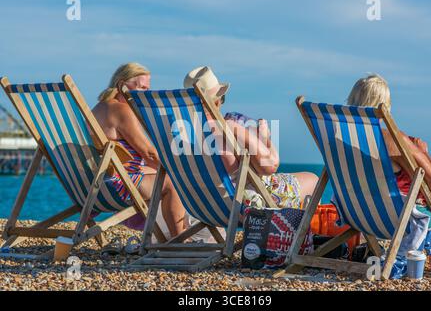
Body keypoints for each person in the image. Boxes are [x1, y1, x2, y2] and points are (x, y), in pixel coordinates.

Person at [346, 74, 431, 274]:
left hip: (357, 213)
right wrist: (422, 151)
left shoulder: (340, 138)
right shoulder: (391, 138)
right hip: (398, 217)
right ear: (385, 105)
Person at [183, 66, 319, 209]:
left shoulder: (183, 132)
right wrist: (266, 138)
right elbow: (270, 165)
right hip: (244, 205)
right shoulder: (228, 126)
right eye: (222, 98)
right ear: (216, 102)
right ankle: (301, 230)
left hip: (207, 206)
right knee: (313, 180)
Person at [92, 63, 185, 237]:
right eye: (142, 88)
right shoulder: (121, 110)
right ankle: (179, 241)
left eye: (148, 89)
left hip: (97, 184)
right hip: (119, 185)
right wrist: (178, 170)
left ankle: (163, 236)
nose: (146, 94)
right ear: (122, 85)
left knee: (164, 173)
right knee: (173, 182)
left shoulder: (98, 108)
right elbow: (148, 153)